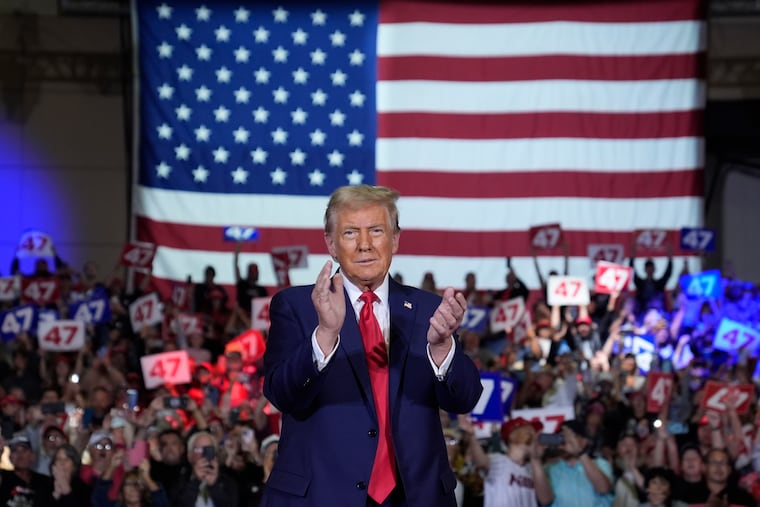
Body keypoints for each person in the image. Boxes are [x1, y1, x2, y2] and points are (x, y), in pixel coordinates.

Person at [262, 185, 483, 506]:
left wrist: (441, 348)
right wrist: (325, 333)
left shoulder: (428, 310)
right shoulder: (297, 305)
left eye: (376, 231)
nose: (365, 244)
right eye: (350, 232)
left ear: (394, 239)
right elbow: (281, 394)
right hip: (322, 496)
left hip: (415, 497)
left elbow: (465, 399)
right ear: (331, 244)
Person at [462, 416, 553, 507]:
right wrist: (472, 436)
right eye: (529, 432)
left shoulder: (533, 469)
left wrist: (536, 459)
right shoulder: (499, 460)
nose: (535, 437)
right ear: (514, 436)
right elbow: (481, 462)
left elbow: (546, 500)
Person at [543, 420, 614, 507]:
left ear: (584, 441)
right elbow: (544, 501)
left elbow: (603, 489)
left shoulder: (600, 464)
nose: (565, 441)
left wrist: (580, 452)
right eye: (561, 437)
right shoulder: (549, 469)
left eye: (570, 437)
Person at [171, 431, 239, 506]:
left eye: (208, 450)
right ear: (189, 456)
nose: (203, 454)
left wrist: (214, 486)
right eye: (198, 450)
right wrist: (195, 482)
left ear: (215, 455)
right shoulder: (178, 480)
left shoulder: (228, 481)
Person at [0, 434, 53, 506]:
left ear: (33, 456)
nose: (20, 455)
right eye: (15, 451)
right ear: (10, 458)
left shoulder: (45, 482)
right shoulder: (3, 478)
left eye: (24, 450)